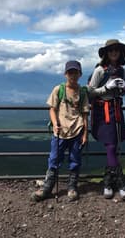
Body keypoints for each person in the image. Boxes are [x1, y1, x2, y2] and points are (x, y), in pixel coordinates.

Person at [31, 60, 89, 202]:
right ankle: (48, 187)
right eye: (70, 72)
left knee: (75, 160)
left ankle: (72, 187)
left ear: (80, 74)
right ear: (65, 74)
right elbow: (52, 108)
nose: (73, 75)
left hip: (77, 130)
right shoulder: (59, 89)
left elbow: (85, 114)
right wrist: (56, 123)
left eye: (75, 72)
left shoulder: (82, 92)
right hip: (60, 131)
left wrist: (86, 133)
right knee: (54, 159)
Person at [88, 39, 125, 201]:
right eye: (111, 50)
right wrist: (107, 87)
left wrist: (121, 88)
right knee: (111, 145)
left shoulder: (123, 72)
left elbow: (122, 93)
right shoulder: (99, 70)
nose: (114, 52)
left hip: (116, 110)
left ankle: (107, 182)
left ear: (120, 53)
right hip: (102, 111)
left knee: (113, 147)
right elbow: (90, 92)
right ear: (106, 53)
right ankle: (121, 183)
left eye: (116, 50)